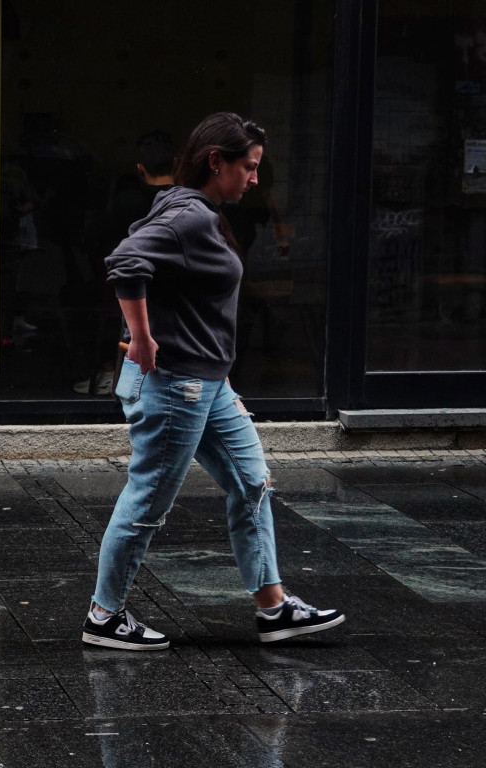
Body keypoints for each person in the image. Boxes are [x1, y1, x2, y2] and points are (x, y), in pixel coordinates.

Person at [81, 113, 345, 650]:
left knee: (252, 483)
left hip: (208, 383)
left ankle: (273, 608)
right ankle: (104, 616)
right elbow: (126, 261)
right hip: (179, 385)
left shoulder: (193, 209)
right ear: (216, 161)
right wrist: (143, 337)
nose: (254, 179)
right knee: (149, 497)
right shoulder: (189, 217)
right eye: (248, 168)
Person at [75, 130, 177, 395]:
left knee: (95, 306)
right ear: (176, 163)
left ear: (140, 168)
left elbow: (95, 240)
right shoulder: (186, 203)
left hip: (125, 296)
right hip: (173, 299)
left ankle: (109, 371)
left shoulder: (127, 201)